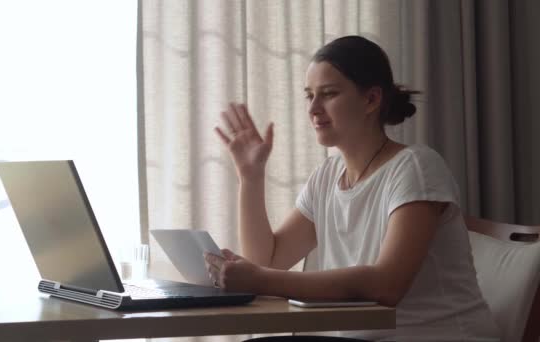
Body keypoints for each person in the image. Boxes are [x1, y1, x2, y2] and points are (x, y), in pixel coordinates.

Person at [204, 36, 499, 341]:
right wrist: (250, 178)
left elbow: (387, 285)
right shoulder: (327, 177)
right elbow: (266, 260)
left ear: (371, 99)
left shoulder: (416, 167)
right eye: (309, 96)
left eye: (328, 94)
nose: (313, 109)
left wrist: (262, 280)